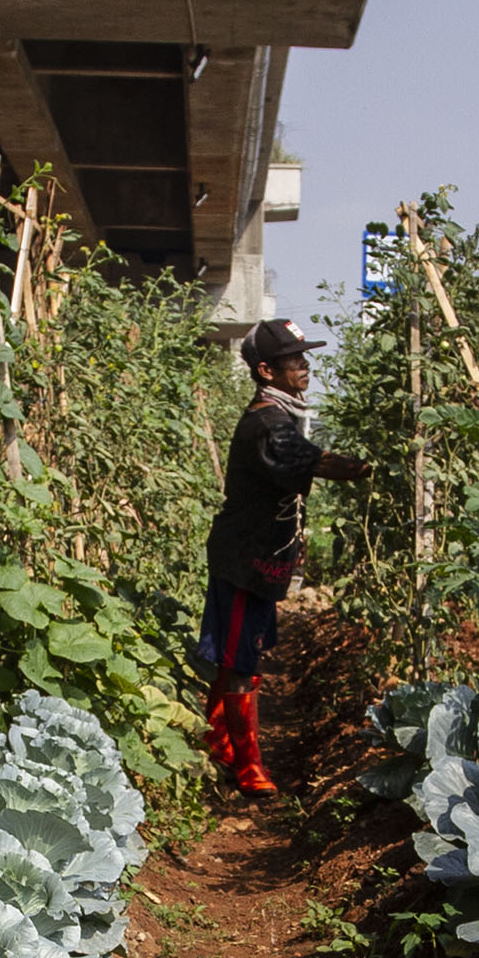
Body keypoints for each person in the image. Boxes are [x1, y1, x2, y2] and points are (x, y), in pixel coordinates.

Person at [197, 318, 368, 796]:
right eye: (294, 359)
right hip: (244, 560)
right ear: (266, 371)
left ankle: (219, 743)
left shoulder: (279, 416)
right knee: (240, 660)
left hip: (254, 556)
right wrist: (373, 467)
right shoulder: (268, 423)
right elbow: (317, 462)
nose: (304, 365)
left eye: (303, 356)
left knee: (239, 654)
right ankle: (247, 766)